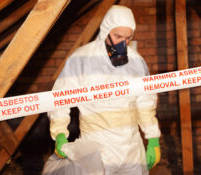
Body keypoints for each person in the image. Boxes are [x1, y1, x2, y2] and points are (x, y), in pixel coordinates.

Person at [48, 5, 161, 175]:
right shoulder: (82, 59)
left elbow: (145, 101)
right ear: (106, 30)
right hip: (95, 148)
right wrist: (60, 133)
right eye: (117, 36)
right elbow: (60, 97)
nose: (122, 43)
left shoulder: (136, 62)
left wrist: (152, 138)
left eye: (127, 38)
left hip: (130, 147)